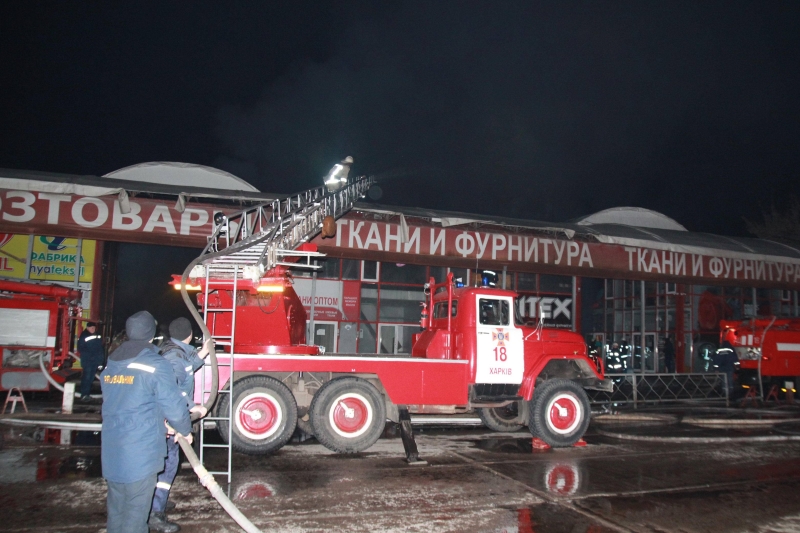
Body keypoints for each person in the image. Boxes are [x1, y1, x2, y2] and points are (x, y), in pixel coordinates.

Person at [101, 311, 193, 533]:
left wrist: (162, 422)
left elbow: (130, 401)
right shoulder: (155, 363)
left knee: (117, 512)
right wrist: (185, 430)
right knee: (135, 518)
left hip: (112, 450)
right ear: (151, 334)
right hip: (141, 452)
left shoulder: (112, 363)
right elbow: (173, 404)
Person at [149, 318, 211, 533]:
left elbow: (188, 366)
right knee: (168, 463)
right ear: (189, 334)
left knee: (166, 461)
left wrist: (203, 352)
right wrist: (192, 407)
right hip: (169, 418)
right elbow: (172, 389)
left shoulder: (174, 350)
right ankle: (155, 512)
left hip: (168, 416)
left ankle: (158, 499)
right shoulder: (175, 357)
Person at [77, 321, 105, 401]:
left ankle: (87, 394)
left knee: (91, 378)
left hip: (94, 361)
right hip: (87, 361)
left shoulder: (97, 335)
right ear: (87, 328)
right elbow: (80, 348)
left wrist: (100, 362)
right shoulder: (84, 336)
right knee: (87, 378)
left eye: (94, 328)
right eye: (91, 328)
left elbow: (100, 349)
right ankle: (84, 394)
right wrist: (90, 356)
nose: (93, 329)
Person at [713, 328, 739, 397]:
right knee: (730, 380)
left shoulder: (719, 350)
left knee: (723, 380)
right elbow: (734, 358)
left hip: (722, 368)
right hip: (730, 367)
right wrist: (737, 367)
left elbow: (716, 359)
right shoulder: (731, 349)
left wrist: (716, 368)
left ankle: (724, 393)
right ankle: (730, 393)